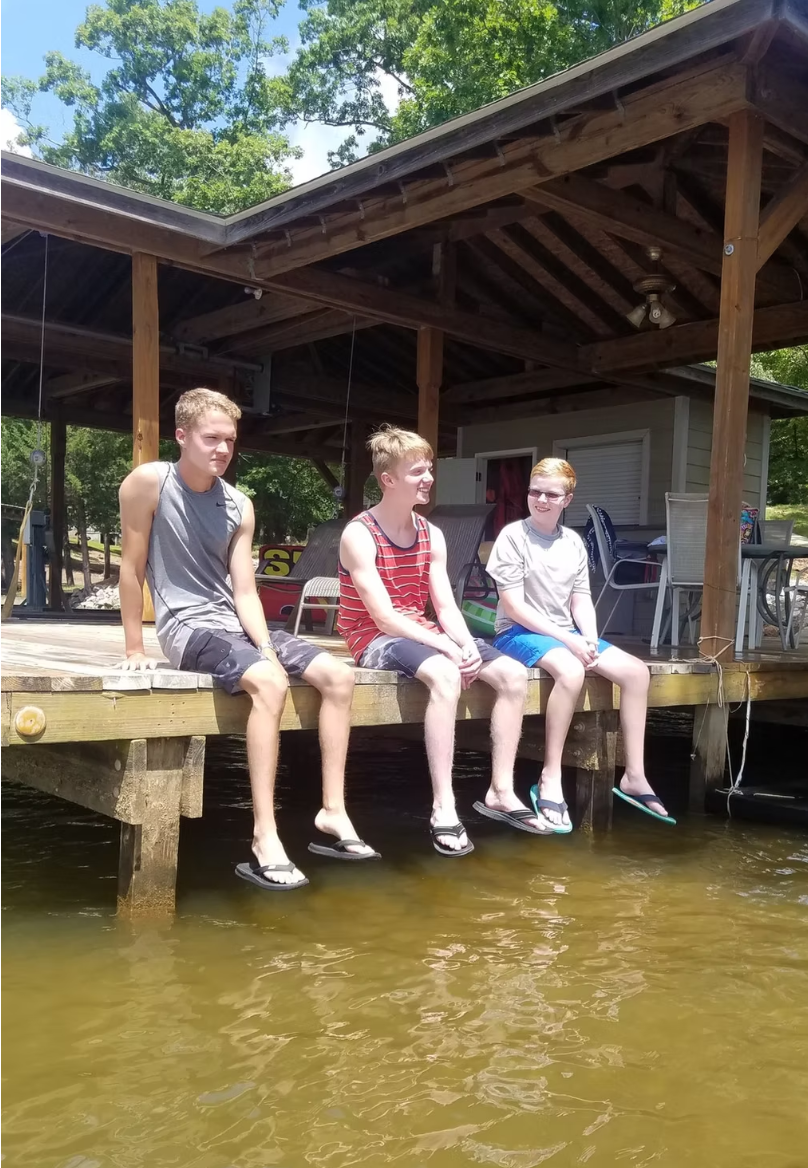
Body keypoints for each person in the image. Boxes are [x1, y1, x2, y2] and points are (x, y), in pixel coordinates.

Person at [117, 388, 378, 893]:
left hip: (234, 623)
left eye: (230, 441)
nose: (221, 449)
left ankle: (332, 811)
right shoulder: (148, 483)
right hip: (186, 627)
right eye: (211, 438)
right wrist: (135, 648)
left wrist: (264, 645)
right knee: (270, 684)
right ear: (182, 436)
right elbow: (131, 569)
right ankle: (264, 835)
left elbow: (244, 590)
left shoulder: (239, 504)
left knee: (339, 675)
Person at [338, 425, 552, 857]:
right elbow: (383, 617)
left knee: (512, 674)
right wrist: (448, 652)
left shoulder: (431, 533)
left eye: (430, 469)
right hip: (374, 636)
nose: (429, 478)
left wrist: (465, 642)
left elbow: (445, 605)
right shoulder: (359, 534)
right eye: (418, 471)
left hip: (421, 627)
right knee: (444, 674)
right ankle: (443, 806)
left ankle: (501, 791)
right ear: (389, 479)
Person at [486, 457, 674, 830]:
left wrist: (588, 637)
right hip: (516, 633)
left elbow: (580, 599)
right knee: (571, 671)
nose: (540, 499)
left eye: (551, 494)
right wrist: (569, 642)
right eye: (534, 491)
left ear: (567, 500)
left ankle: (634, 775)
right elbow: (513, 606)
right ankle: (550, 776)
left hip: (565, 633)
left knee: (636, 673)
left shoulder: (572, 542)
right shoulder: (512, 536)